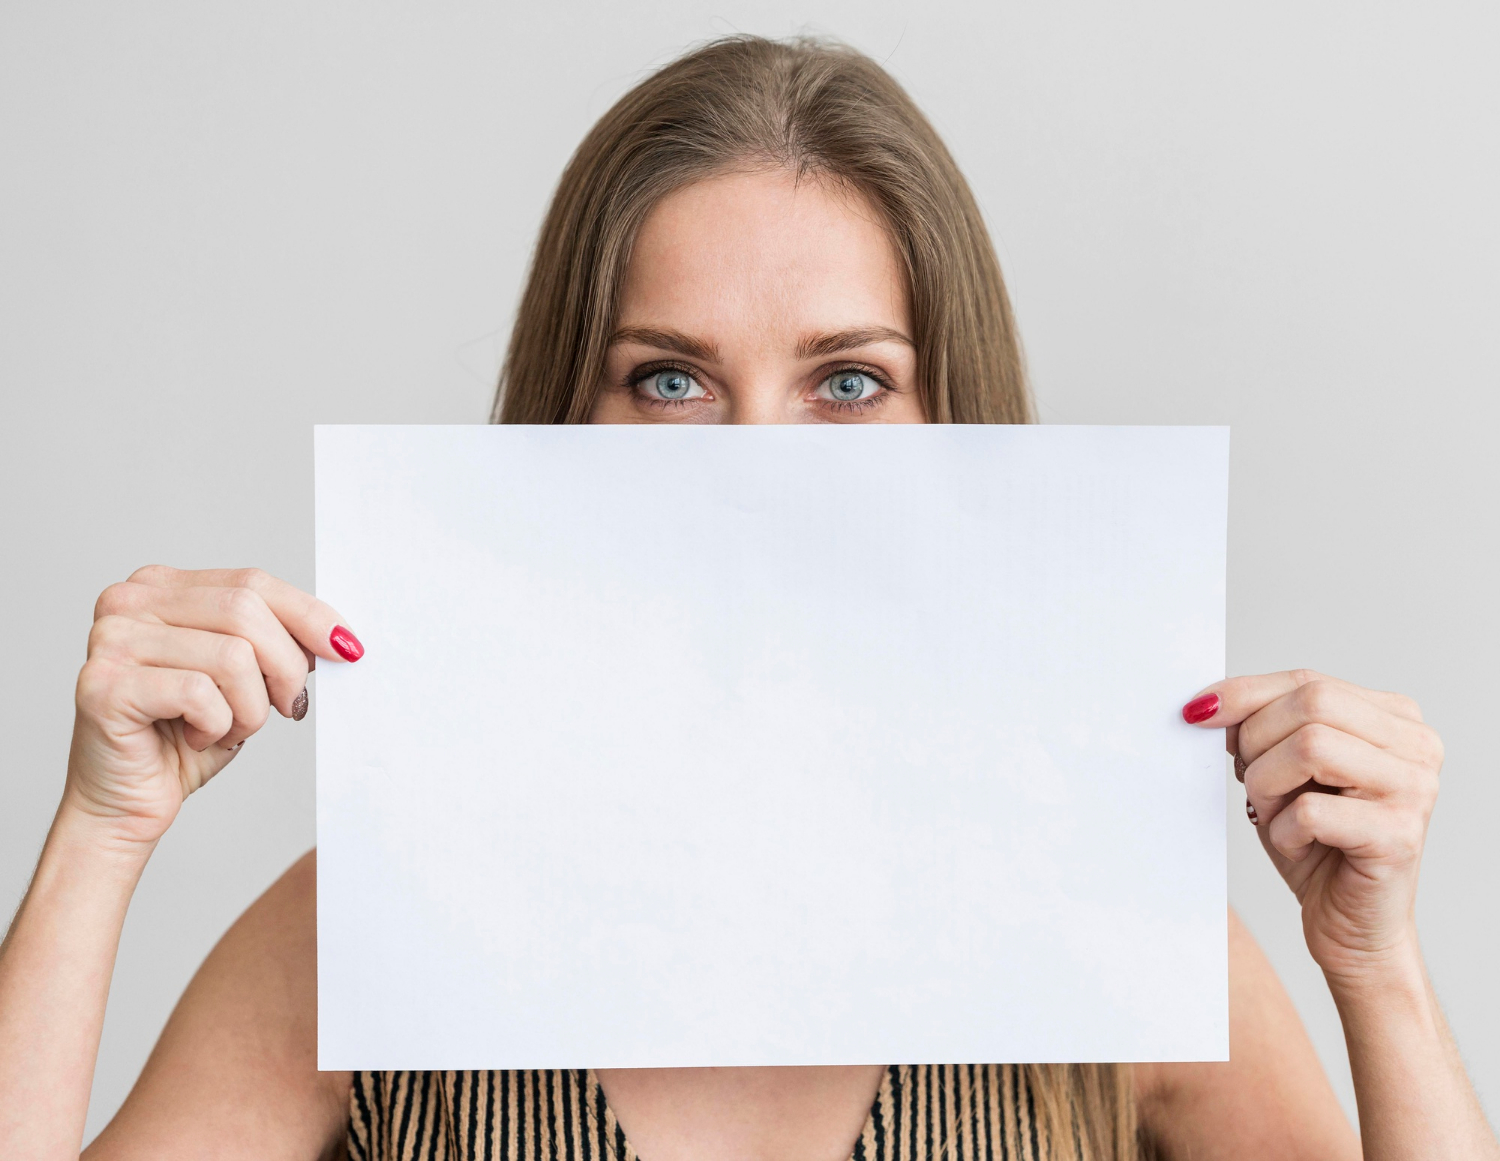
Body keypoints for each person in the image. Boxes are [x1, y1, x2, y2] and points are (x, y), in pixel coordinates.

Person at [0, 34, 1493, 1161]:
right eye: (669, 380)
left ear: (951, 425)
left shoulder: (1124, 950)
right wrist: (101, 834)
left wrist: (1380, 969)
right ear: (562, 429)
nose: (762, 467)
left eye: (850, 381)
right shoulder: (373, 929)